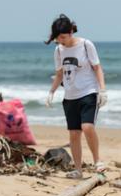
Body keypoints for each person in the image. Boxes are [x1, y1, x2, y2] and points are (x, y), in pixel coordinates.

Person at [45, 14, 107, 179]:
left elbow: (98, 68)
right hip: (70, 96)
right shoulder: (58, 50)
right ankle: (78, 170)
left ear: (71, 31)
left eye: (63, 37)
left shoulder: (86, 45)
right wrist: (51, 92)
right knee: (74, 134)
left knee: (87, 127)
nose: (61, 41)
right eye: (58, 38)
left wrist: (103, 90)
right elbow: (59, 74)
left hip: (89, 92)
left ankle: (98, 161)